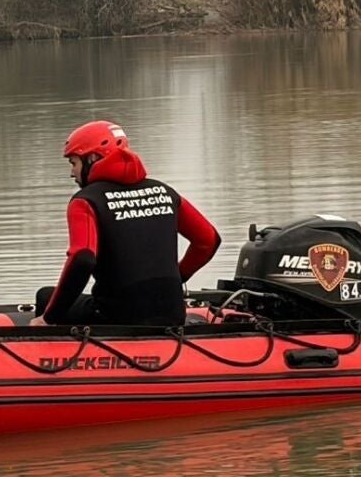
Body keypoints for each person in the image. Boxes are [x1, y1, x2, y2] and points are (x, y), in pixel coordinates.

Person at [34, 120, 221, 327]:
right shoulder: (164, 192)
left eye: (74, 163)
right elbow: (208, 240)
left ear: (93, 158)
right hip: (173, 314)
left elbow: (82, 259)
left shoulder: (85, 201)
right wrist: (178, 278)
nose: (72, 173)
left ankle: (63, 356)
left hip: (116, 317)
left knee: (45, 296)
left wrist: (49, 317)